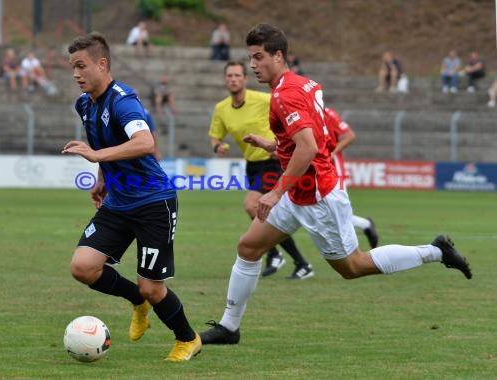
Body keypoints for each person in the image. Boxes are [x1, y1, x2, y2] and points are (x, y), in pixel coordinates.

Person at [200, 23, 471, 345]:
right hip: (299, 192)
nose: (253, 65)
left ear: (278, 55)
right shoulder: (305, 85)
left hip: (316, 196)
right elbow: (312, 138)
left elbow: (309, 147)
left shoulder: (283, 96)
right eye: (250, 58)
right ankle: (230, 327)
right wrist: (275, 146)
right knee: (248, 247)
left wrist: (275, 191)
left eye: (258, 57)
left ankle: (435, 251)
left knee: (353, 266)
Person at [62, 31, 201, 361]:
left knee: (152, 286)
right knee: (83, 267)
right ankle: (136, 302)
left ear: (102, 63)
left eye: (81, 66)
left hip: (153, 203)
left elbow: (145, 143)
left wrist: (97, 159)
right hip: (118, 202)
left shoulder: (123, 99)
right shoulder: (84, 104)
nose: (76, 74)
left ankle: (188, 338)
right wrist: (101, 177)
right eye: (72, 67)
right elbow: (103, 140)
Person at [209, 60, 314, 279]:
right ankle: (299, 263)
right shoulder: (221, 109)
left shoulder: (263, 99)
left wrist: (285, 142)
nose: (233, 79)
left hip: (273, 159)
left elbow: (288, 108)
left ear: (245, 79)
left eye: (238, 75)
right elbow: (215, 135)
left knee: (252, 205)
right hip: (252, 165)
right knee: (267, 214)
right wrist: (218, 145)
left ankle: (276, 254)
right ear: (225, 80)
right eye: (229, 76)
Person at [324, 107, 378, 248]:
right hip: (314, 170)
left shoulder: (328, 114)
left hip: (334, 169)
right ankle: (365, 225)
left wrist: (332, 152)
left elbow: (349, 136)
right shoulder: (302, 114)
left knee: (338, 211)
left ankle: (350, 248)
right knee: (326, 212)